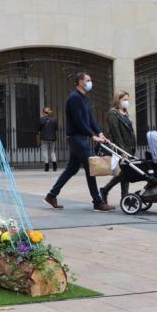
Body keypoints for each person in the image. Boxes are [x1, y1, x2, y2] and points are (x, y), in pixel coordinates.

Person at [44, 72, 114, 212]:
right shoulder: (74, 99)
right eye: (88, 80)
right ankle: (97, 202)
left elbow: (90, 119)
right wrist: (92, 136)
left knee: (72, 168)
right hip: (76, 138)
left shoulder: (84, 99)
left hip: (80, 138)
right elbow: (78, 121)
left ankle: (52, 195)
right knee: (90, 168)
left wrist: (99, 133)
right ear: (80, 82)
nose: (90, 82)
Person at [100, 91, 136, 205]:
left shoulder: (125, 113)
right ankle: (107, 191)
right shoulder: (113, 114)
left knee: (125, 173)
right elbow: (116, 133)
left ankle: (116, 194)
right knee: (125, 172)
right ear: (118, 100)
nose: (127, 102)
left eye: (127, 99)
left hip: (129, 147)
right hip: (120, 148)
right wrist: (122, 151)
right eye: (124, 99)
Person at [37, 107, 58, 172]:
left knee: (45, 151)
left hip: (44, 138)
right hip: (52, 138)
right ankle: (55, 167)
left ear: (43, 112)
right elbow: (56, 129)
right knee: (52, 151)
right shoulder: (54, 119)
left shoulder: (41, 119)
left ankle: (47, 167)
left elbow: (39, 129)